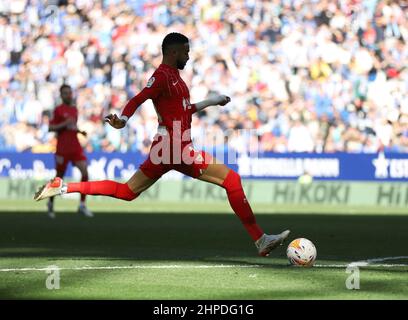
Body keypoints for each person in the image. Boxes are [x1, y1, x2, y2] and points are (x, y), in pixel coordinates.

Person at [34, 33, 289, 256]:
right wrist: (123, 119)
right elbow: (139, 97)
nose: (188, 57)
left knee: (127, 192)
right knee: (231, 180)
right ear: (173, 52)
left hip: (165, 149)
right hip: (174, 146)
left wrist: (212, 101)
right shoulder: (162, 76)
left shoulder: (175, 78)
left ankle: (63, 186)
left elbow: (185, 109)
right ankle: (260, 239)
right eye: (185, 52)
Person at [46, 84, 93, 218]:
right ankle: (50, 202)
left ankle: (82, 205)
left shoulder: (74, 109)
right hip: (62, 148)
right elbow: (51, 128)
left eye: (70, 92)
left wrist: (79, 131)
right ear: (61, 95)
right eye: (65, 93)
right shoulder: (58, 110)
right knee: (59, 177)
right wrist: (64, 124)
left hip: (75, 146)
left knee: (85, 172)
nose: (68, 95)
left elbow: (72, 125)